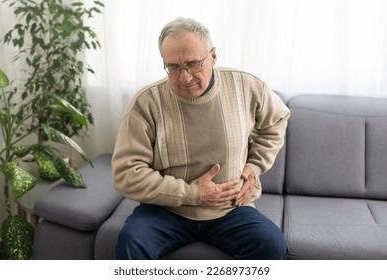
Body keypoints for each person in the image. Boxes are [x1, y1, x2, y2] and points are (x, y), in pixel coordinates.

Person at [112, 17, 290, 260]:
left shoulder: (248, 86)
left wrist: (255, 165)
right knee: (131, 242)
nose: (184, 78)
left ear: (213, 56)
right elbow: (126, 174)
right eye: (172, 67)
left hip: (230, 208)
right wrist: (193, 194)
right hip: (166, 210)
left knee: (272, 245)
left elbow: (277, 121)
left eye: (192, 64)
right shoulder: (146, 103)